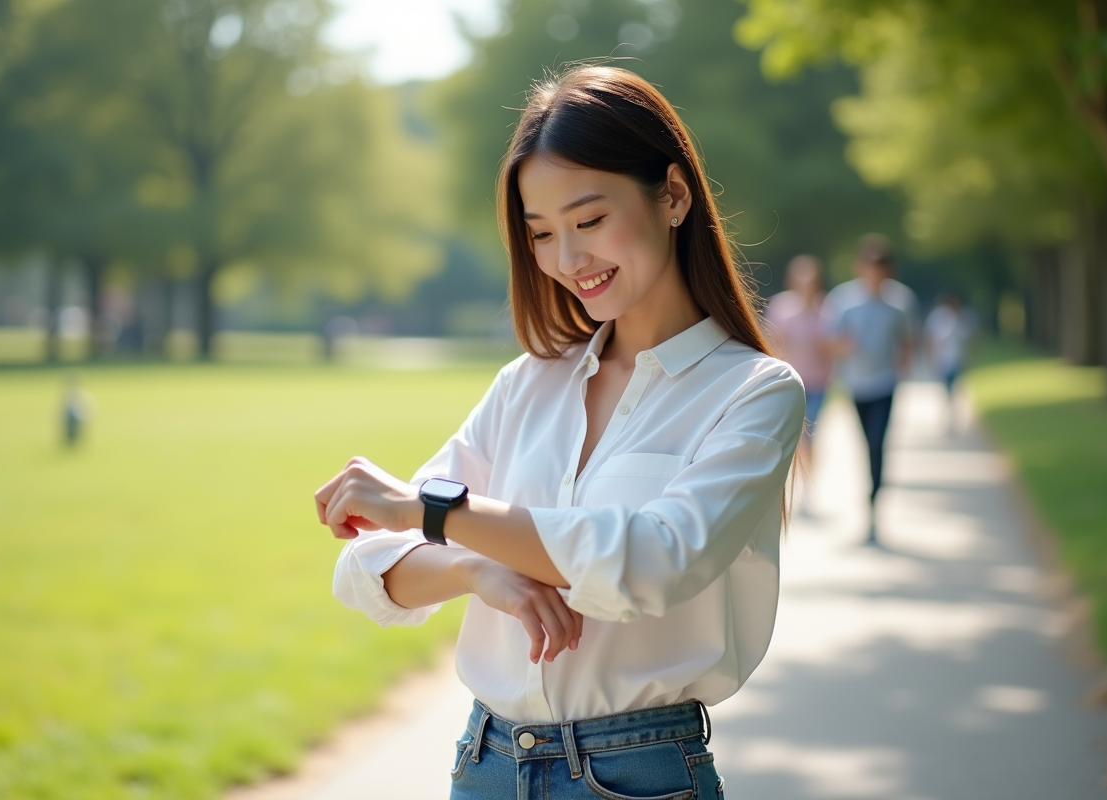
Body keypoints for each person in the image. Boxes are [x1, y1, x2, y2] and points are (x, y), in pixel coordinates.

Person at [315, 66, 804, 800]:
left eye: (588, 221)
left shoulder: (754, 394)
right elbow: (367, 564)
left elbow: (654, 560)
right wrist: (477, 570)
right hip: (484, 763)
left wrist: (436, 513)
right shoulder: (528, 383)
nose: (567, 260)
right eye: (541, 233)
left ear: (672, 195)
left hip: (638, 775)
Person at [822, 234, 916, 545]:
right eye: (869, 265)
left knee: (878, 445)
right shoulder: (843, 300)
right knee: (865, 445)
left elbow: (908, 339)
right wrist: (843, 346)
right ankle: (868, 504)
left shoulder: (901, 301)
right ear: (860, 266)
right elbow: (828, 342)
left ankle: (874, 509)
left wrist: (903, 359)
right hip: (855, 385)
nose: (874, 271)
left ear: (889, 269)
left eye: (880, 266)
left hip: (885, 384)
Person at [765, 255, 832, 503]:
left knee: (809, 437)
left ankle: (808, 485)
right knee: (790, 438)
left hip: (817, 384)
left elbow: (832, 346)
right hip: (789, 384)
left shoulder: (827, 309)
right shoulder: (781, 308)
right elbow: (771, 343)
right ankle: (789, 484)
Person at [924, 291, 975, 433]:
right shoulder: (937, 317)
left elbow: (970, 339)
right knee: (946, 389)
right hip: (942, 360)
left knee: (955, 389)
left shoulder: (962, 317)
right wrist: (930, 357)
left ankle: (953, 416)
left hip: (958, 359)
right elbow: (930, 339)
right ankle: (948, 416)